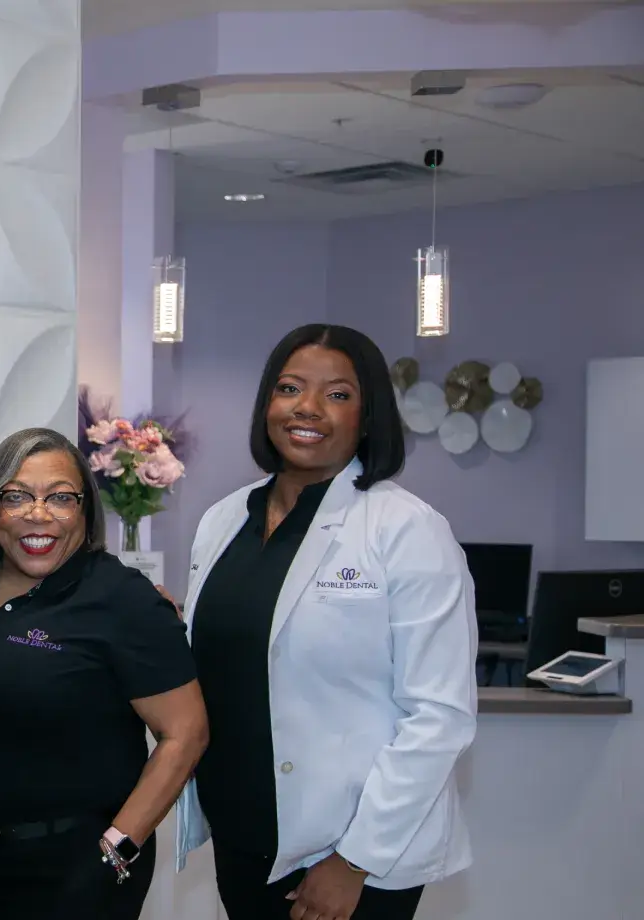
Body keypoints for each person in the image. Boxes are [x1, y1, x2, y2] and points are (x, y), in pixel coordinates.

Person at [172, 323, 478, 920]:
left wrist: (353, 861)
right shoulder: (223, 519)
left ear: (368, 417)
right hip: (242, 835)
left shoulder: (407, 530)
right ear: (267, 404)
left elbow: (439, 716)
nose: (306, 408)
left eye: (337, 394)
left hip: (350, 855)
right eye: (289, 388)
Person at [0, 427, 208, 919]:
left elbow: (186, 733)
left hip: (72, 875)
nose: (38, 515)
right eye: (16, 496)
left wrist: (117, 848)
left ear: (85, 509)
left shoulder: (123, 600)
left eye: (61, 498)